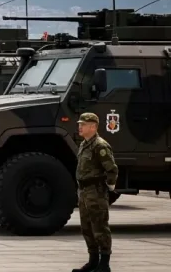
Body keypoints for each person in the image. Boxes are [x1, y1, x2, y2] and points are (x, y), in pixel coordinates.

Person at [73, 112, 118, 272]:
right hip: (84, 191)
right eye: (80, 124)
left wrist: (110, 187)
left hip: (95, 191)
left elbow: (111, 169)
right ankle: (93, 261)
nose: (80, 127)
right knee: (86, 227)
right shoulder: (84, 144)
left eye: (83, 124)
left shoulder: (100, 146)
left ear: (93, 127)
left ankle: (104, 264)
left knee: (99, 227)